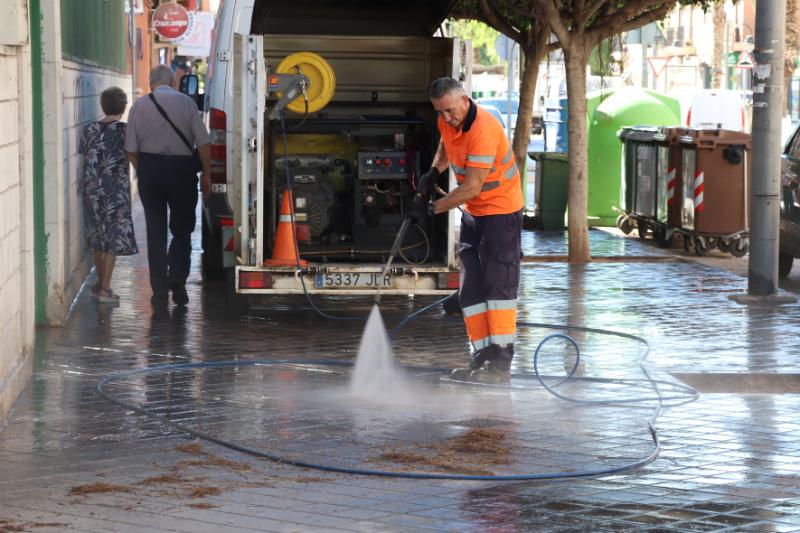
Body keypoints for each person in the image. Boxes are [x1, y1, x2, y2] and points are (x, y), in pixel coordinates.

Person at [417, 77, 523, 382]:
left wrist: (433, 208)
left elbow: (473, 187)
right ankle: (482, 357)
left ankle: (500, 365)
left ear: (465, 100)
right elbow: (445, 145)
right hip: (475, 214)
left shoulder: (484, 129)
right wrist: (433, 170)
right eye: (441, 112)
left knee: (498, 287)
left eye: (450, 110)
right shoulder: (447, 122)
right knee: (471, 288)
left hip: (502, 213)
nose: (447, 118)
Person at [125, 64, 212, 307]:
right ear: (174, 82)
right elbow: (204, 142)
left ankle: (159, 292)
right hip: (182, 170)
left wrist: (145, 168)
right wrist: (207, 174)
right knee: (183, 229)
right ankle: (178, 279)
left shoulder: (139, 106)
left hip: (150, 169)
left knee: (155, 231)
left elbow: (131, 149)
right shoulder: (186, 103)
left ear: (151, 83)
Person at [79, 86, 139, 303]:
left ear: (103, 106)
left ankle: (99, 284)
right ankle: (104, 287)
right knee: (112, 238)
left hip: (91, 190)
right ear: (123, 108)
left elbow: (84, 157)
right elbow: (133, 155)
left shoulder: (88, 129)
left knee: (96, 236)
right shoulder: (125, 131)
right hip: (115, 192)